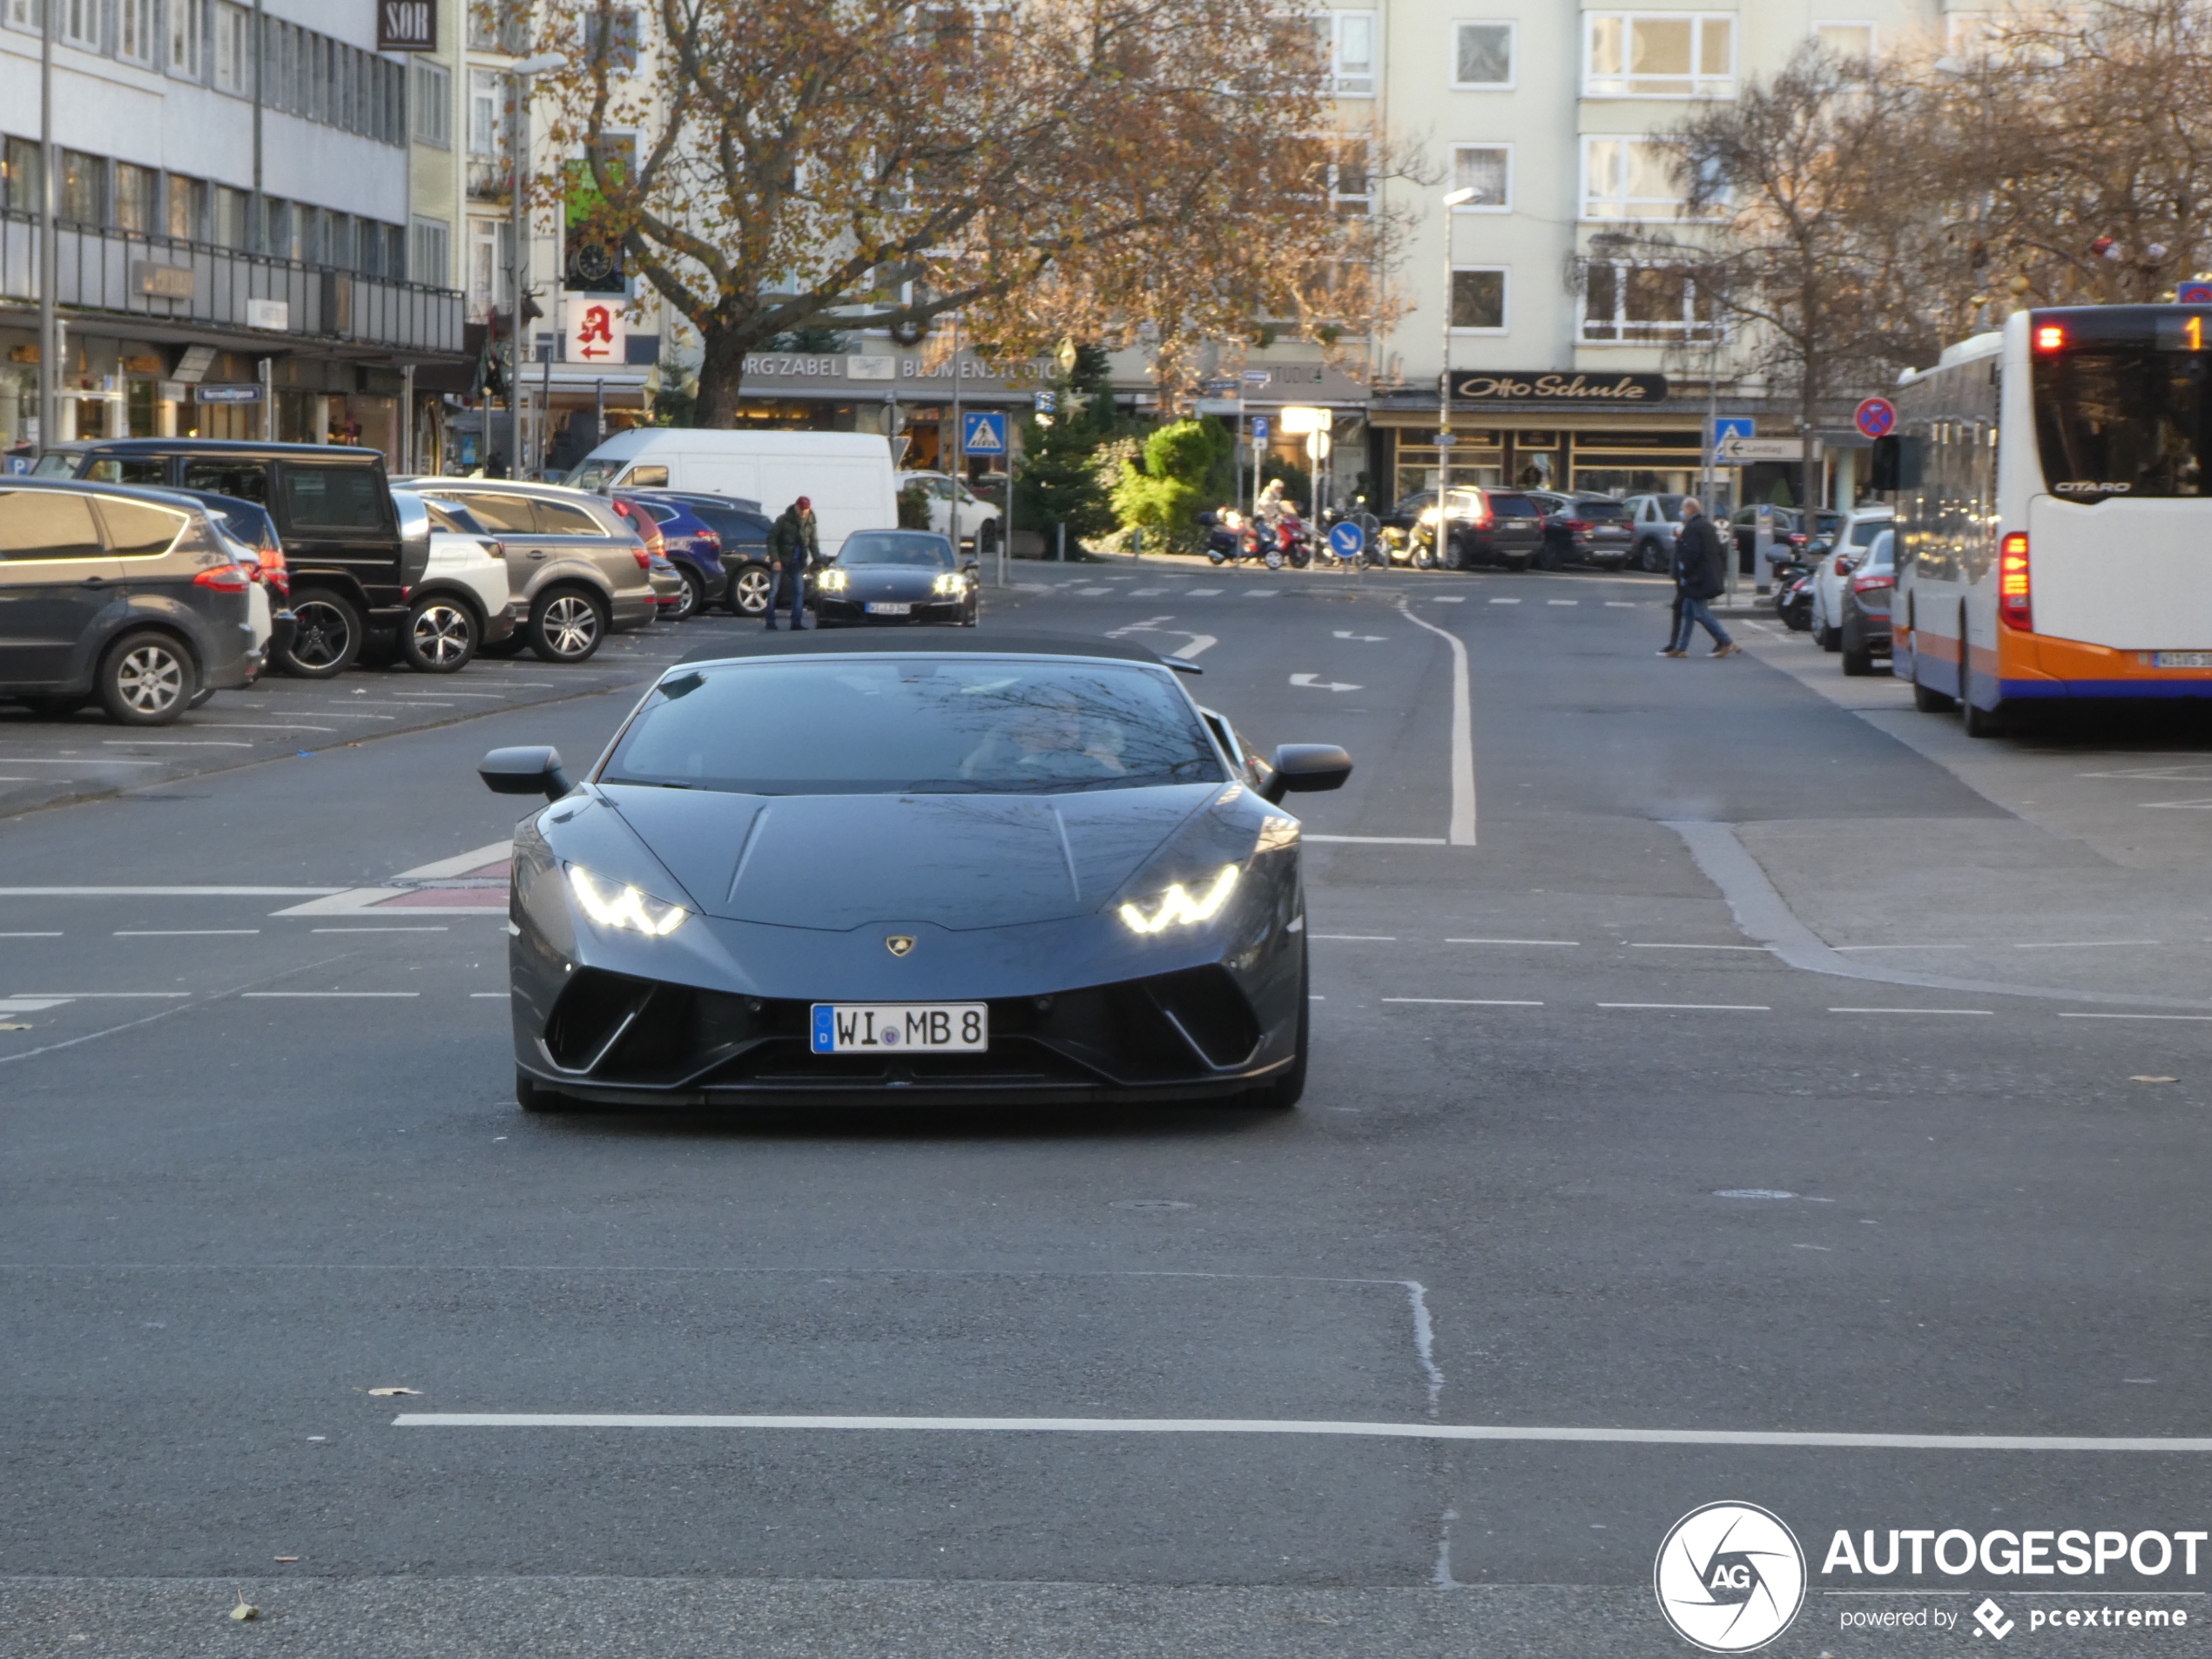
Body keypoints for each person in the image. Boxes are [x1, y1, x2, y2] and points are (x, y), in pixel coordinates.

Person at [1663, 498, 1740, 658]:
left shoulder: (1692, 527)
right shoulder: (1707, 525)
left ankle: (1727, 641)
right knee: (1687, 610)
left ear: (1691, 508)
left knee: (1700, 612)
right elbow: (1719, 551)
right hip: (1709, 574)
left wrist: (1685, 572)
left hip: (1698, 577)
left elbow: (1692, 553)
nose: (1682, 512)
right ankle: (1681, 647)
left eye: (1683, 509)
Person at [764, 496, 819, 631]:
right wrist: (776, 559)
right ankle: (770, 621)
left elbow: (813, 543)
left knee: (799, 591)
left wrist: (817, 560)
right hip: (782, 560)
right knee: (773, 591)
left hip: (798, 562)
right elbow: (771, 540)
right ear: (796, 507)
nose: (803, 513)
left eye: (805, 510)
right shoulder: (783, 520)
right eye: (801, 510)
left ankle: (796, 622)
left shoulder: (810, 522)